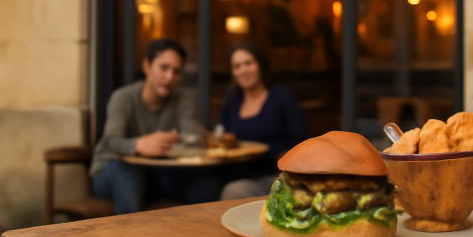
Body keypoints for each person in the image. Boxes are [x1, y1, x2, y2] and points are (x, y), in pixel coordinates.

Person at [90, 38, 219, 214]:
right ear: (146, 66)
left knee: (207, 185)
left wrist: (175, 140)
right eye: (164, 68)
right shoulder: (123, 98)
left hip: (160, 171)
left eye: (176, 71)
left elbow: (196, 139)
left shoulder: (183, 99)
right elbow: (111, 140)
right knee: (129, 177)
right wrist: (138, 145)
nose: (169, 77)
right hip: (114, 169)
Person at [219, 41, 310, 200]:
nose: (243, 70)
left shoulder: (281, 97)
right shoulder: (232, 100)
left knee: (234, 191)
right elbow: (223, 134)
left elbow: (301, 144)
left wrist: (276, 154)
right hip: (236, 171)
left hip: (274, 175)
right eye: (237, 66)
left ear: (260, 64)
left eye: (248, 63)